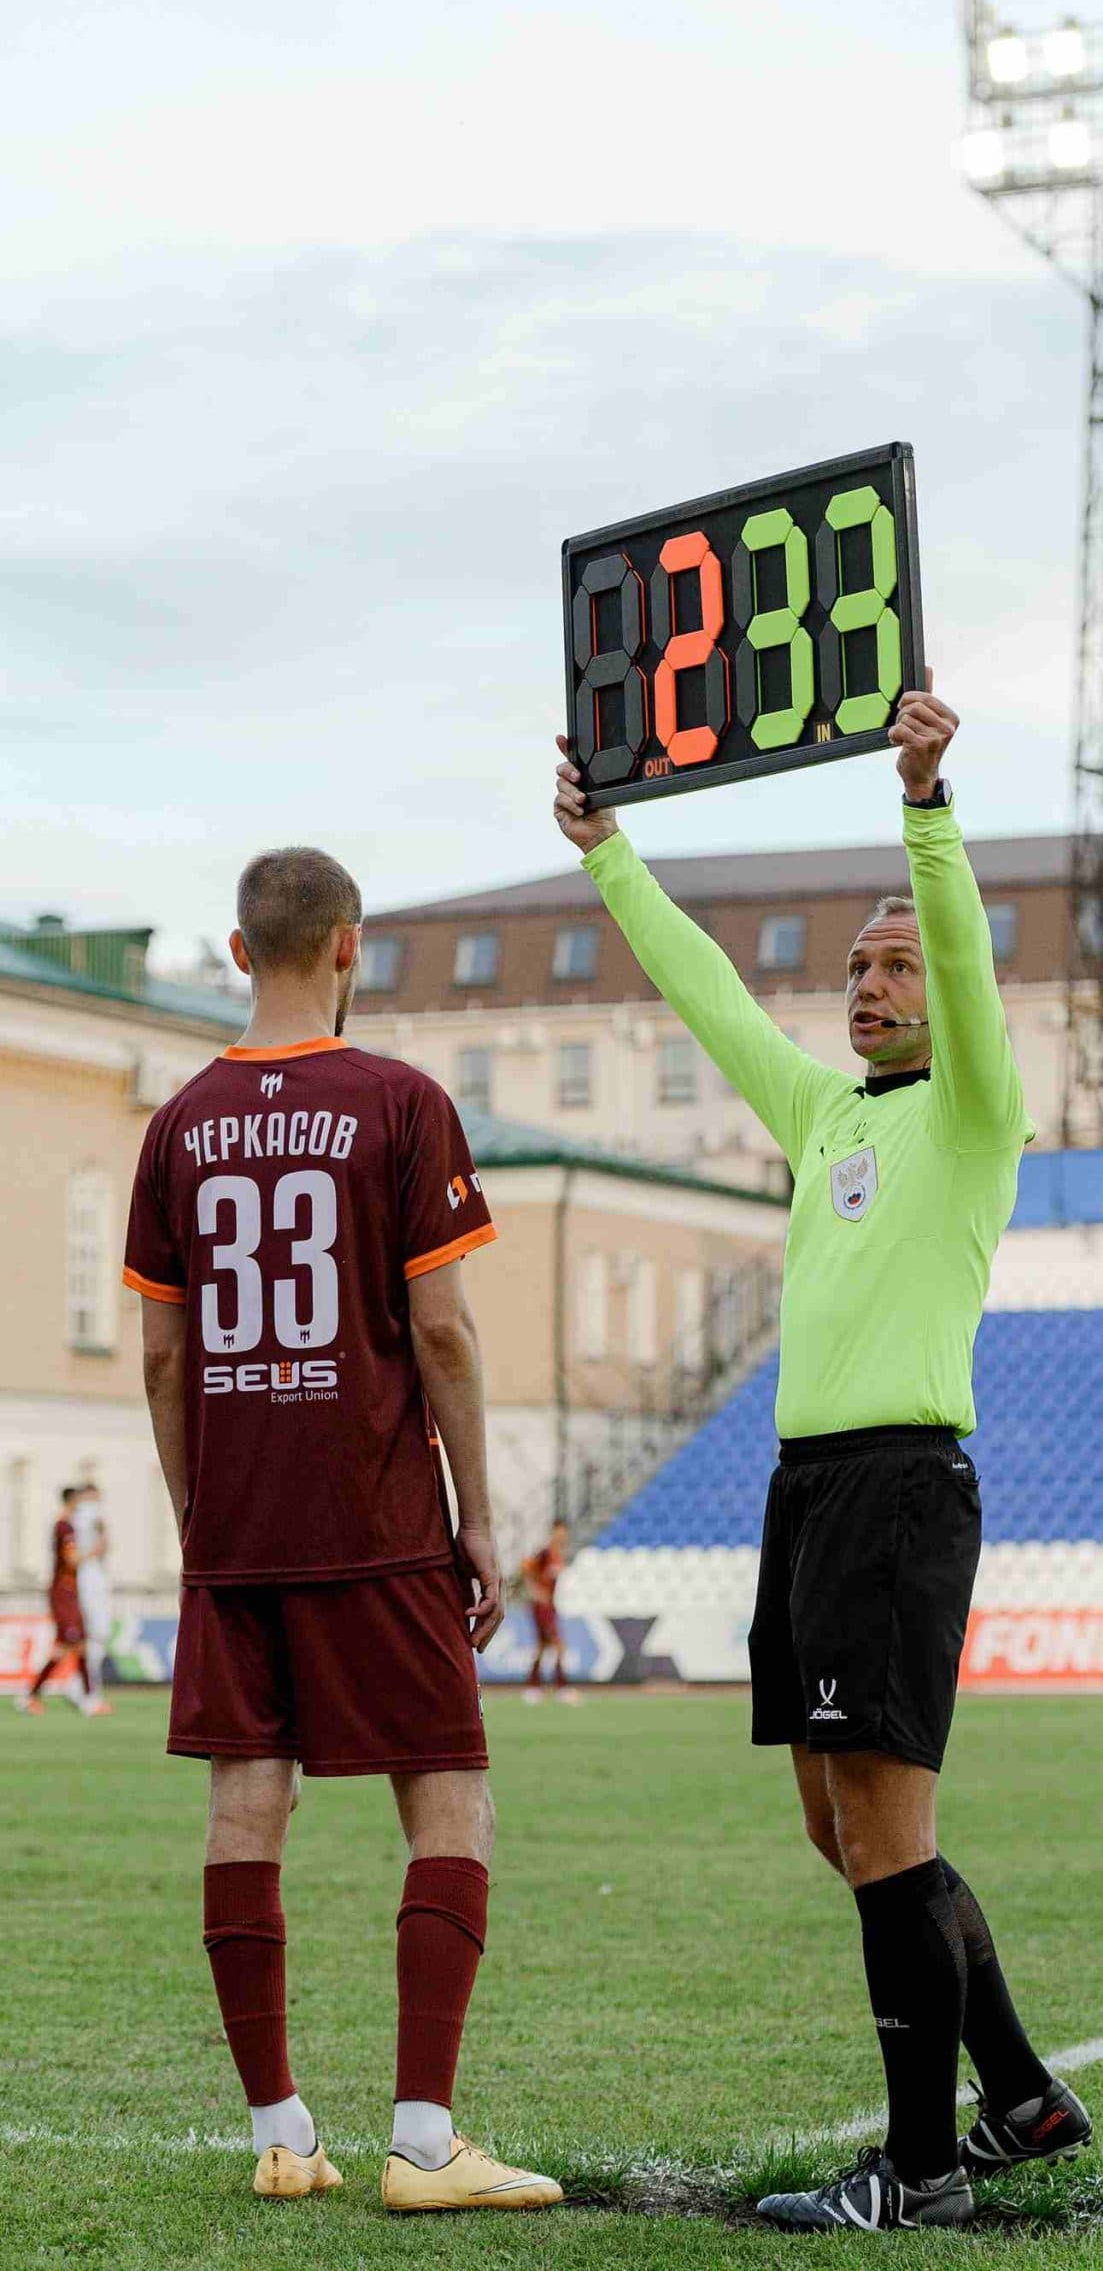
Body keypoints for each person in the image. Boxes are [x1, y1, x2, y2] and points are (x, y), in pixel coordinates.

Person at [553, 683, 1088, 2233]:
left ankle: (924, 2173)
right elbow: (712, 992)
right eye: (856, 966)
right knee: (836, 1826)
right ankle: (1026, 2098)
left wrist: (924, 810)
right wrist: (610, 857)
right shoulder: (826, 1115)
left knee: (885, 1832)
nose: (869, 983)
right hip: (804, 1496)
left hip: (901, 1488)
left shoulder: (976, 1115)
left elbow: (968, 956)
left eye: (895, 964)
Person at [123, 845, 561, 2215]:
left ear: (241, 953)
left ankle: (282, 2134)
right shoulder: (400, 1102)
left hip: (240, 1529)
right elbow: (438, 1326)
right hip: (374, 1516)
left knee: (245, 1809)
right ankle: (425, 2143)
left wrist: (204, 1513)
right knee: (449, 1800)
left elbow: (158, 1356)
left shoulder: (178, 1123)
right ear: (351, 948)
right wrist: (477, 1516)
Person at [15, 1487, 91, 1716]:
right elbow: (71, 1559)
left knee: (78, 1645)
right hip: (63, 1592)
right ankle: (31, 1695)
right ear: (72, 1500)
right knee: (70, 1645)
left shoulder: (66, 1525)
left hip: (69, 1591)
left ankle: (86, 1697)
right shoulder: (64, 1526)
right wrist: (94, 1552)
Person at [520, 1522, 578, 1704]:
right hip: (541, 1607)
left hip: (549, 1606)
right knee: (558, 1645)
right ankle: (561, 1688)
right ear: (553, 1533)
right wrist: (536, 1592)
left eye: (564, 1533)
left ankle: (533, 1687)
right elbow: (526, 1568)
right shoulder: (545, 1553)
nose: (562, 1536)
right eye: (559, 1532)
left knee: (541, 1646)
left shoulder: (557, 1556)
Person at [72, 1476, 115, 1713]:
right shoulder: (93, 1512)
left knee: (89, 1635)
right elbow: (102, 1544)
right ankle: (88, 1691)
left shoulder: (73, 1515)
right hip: (93, 1575)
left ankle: (78, 1686)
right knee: (99, 1634)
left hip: (79, 1576)